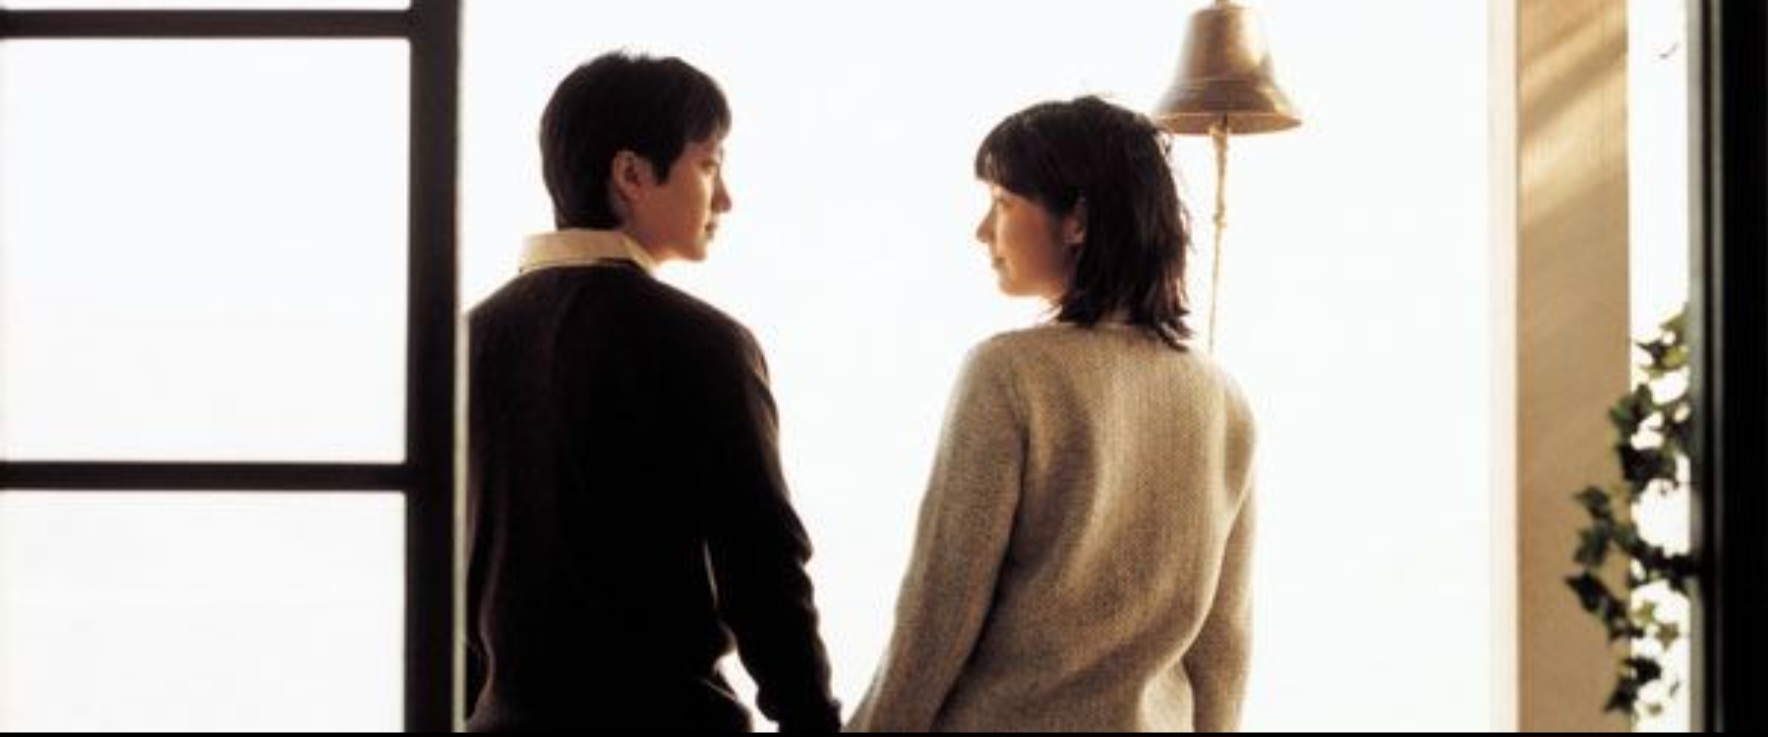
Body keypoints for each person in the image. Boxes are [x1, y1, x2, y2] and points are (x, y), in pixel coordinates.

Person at [847, 96, 1258, 733]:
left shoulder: (1008, 373)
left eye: (1003, 203)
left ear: (1077, 222)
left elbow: (941, 608)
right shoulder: (1224, 399)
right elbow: (1224, 645)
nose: (983, 230)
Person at [464, 51, 840, 732]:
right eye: (709, 165)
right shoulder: (702, 342)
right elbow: (762, 569)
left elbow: (456, 574)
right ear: (631, 174)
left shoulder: (468, 338)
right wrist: (811, 721)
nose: (724, 198)